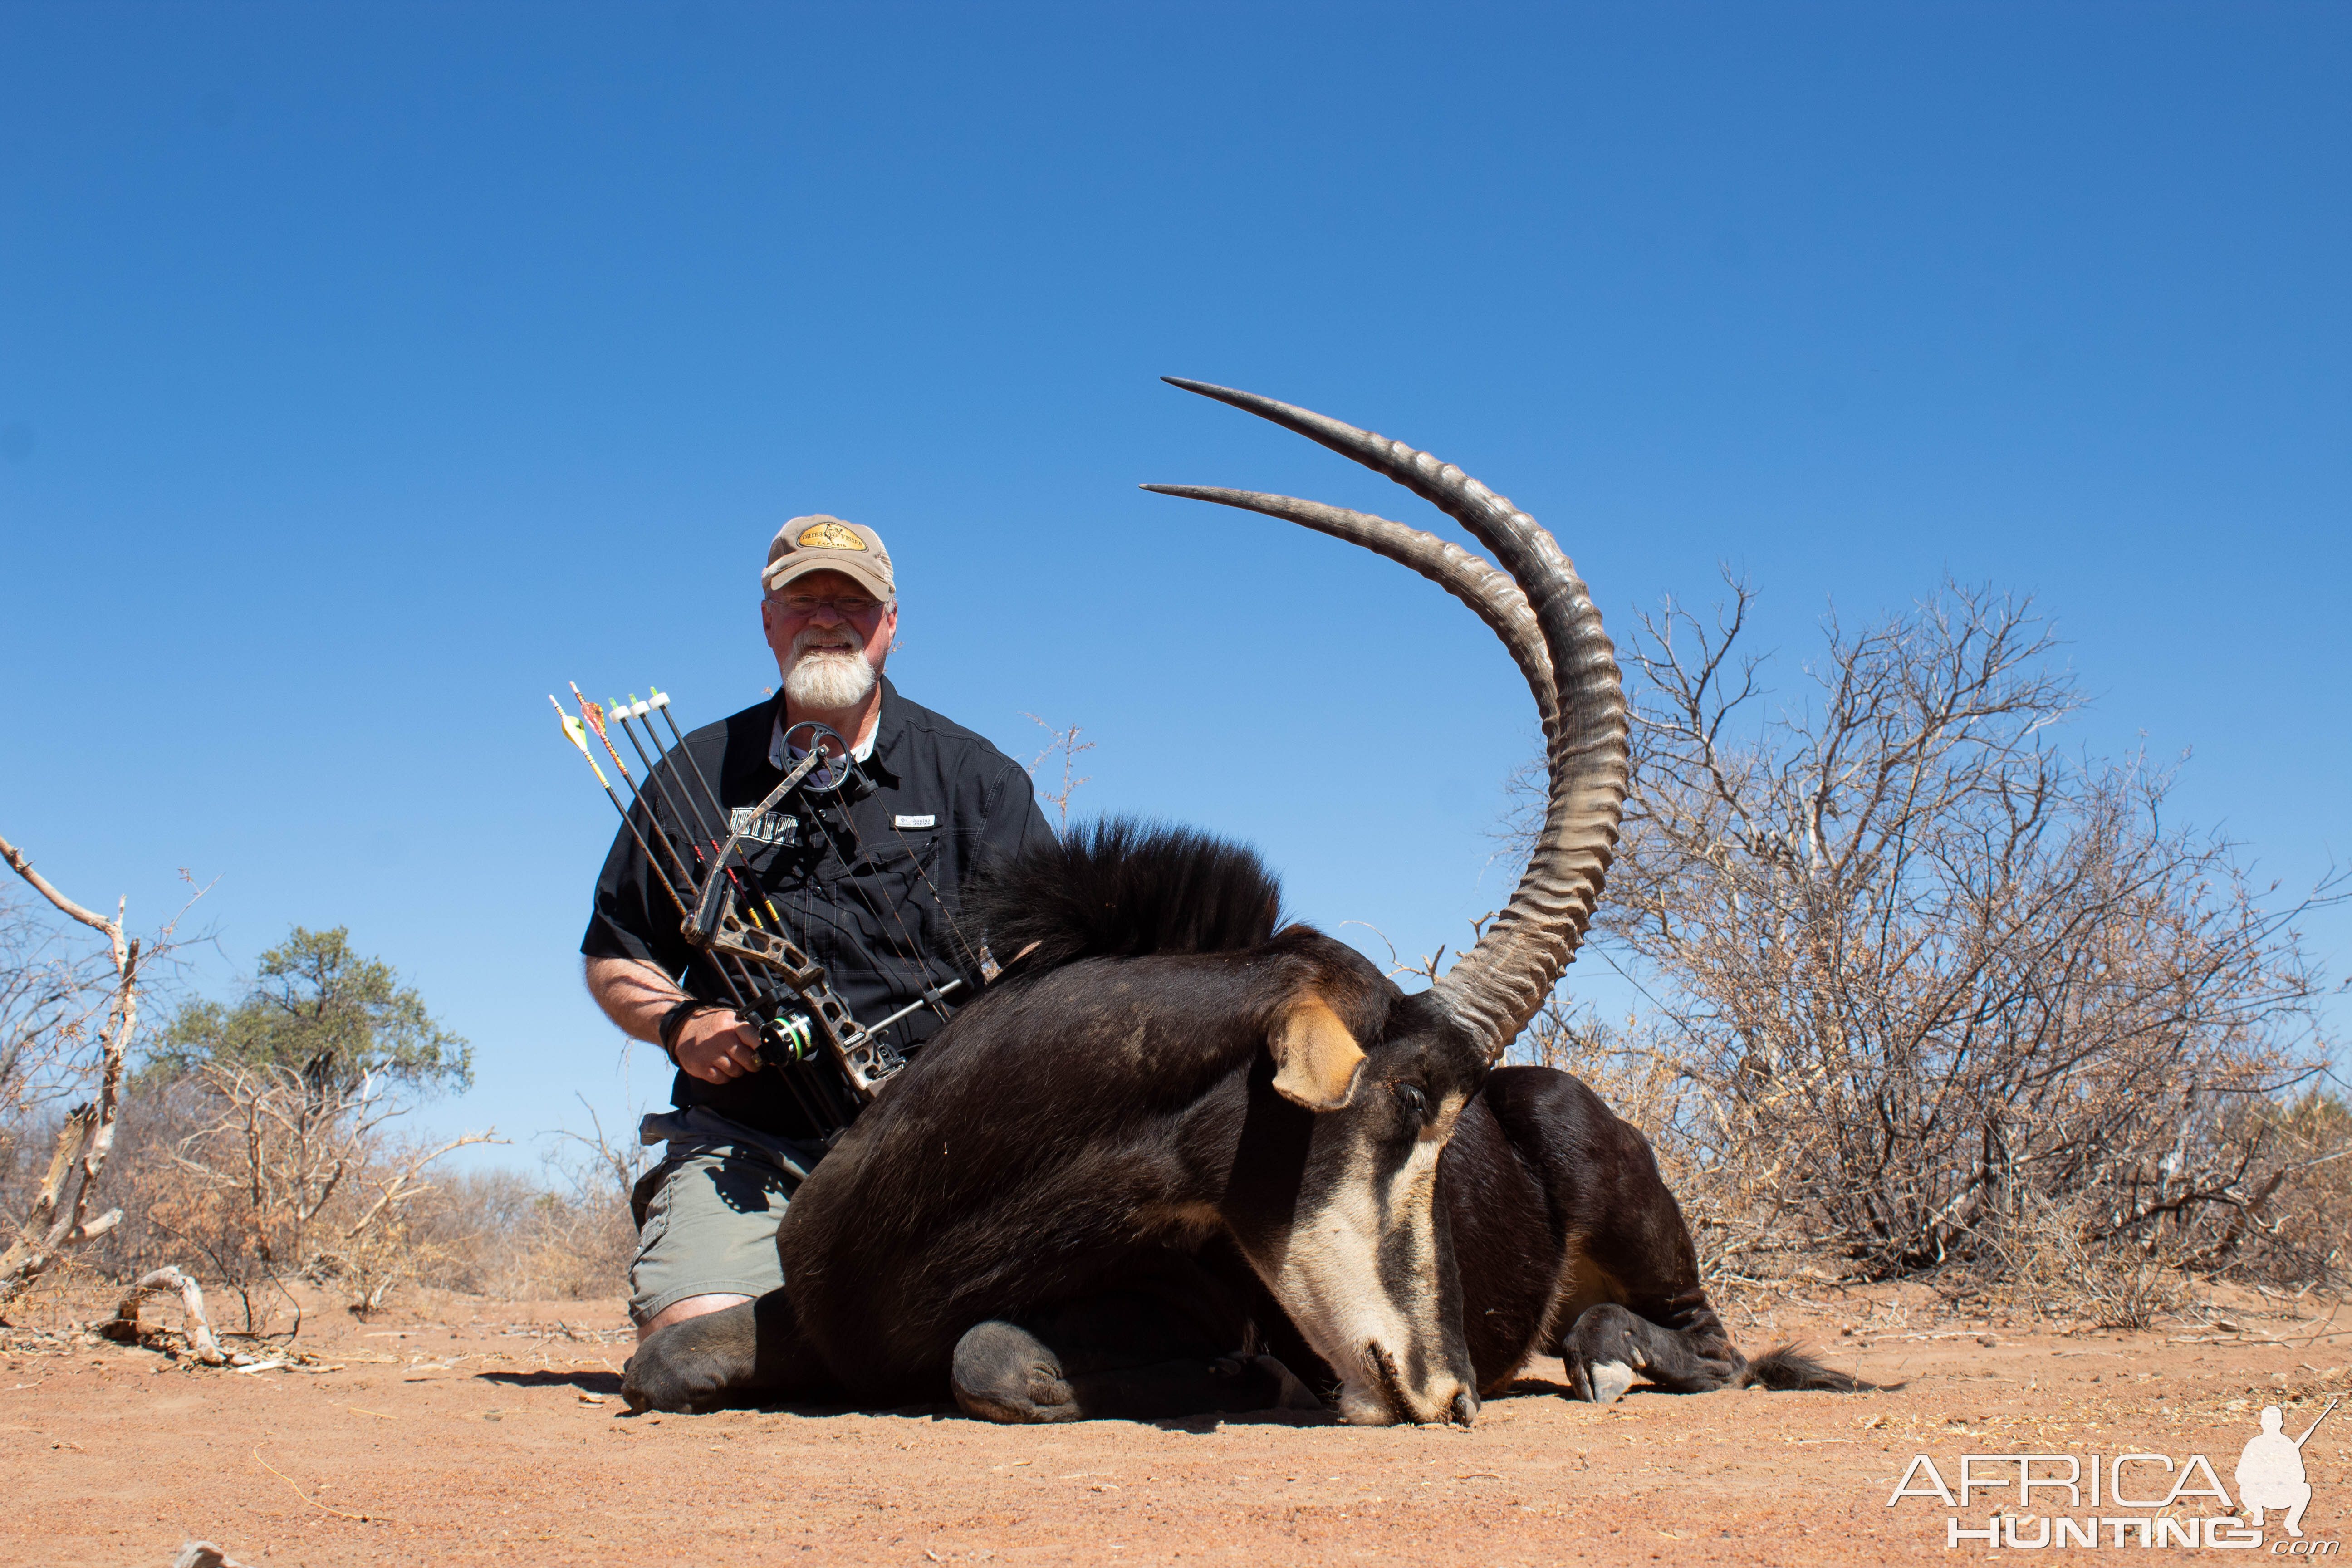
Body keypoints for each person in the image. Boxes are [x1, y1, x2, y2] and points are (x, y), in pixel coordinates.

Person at [582, 514, 1053, 1341]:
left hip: (934, 1148)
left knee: (1010, 1336)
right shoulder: (695, 771)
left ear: (891, 625)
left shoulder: (977, 779)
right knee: (696, 1341)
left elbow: (1047, 960)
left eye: (853, 601)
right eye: (804, 601)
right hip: (749, 1147)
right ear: (768, 619)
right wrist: (681, 1023)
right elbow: (616, 953)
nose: (828, 619)